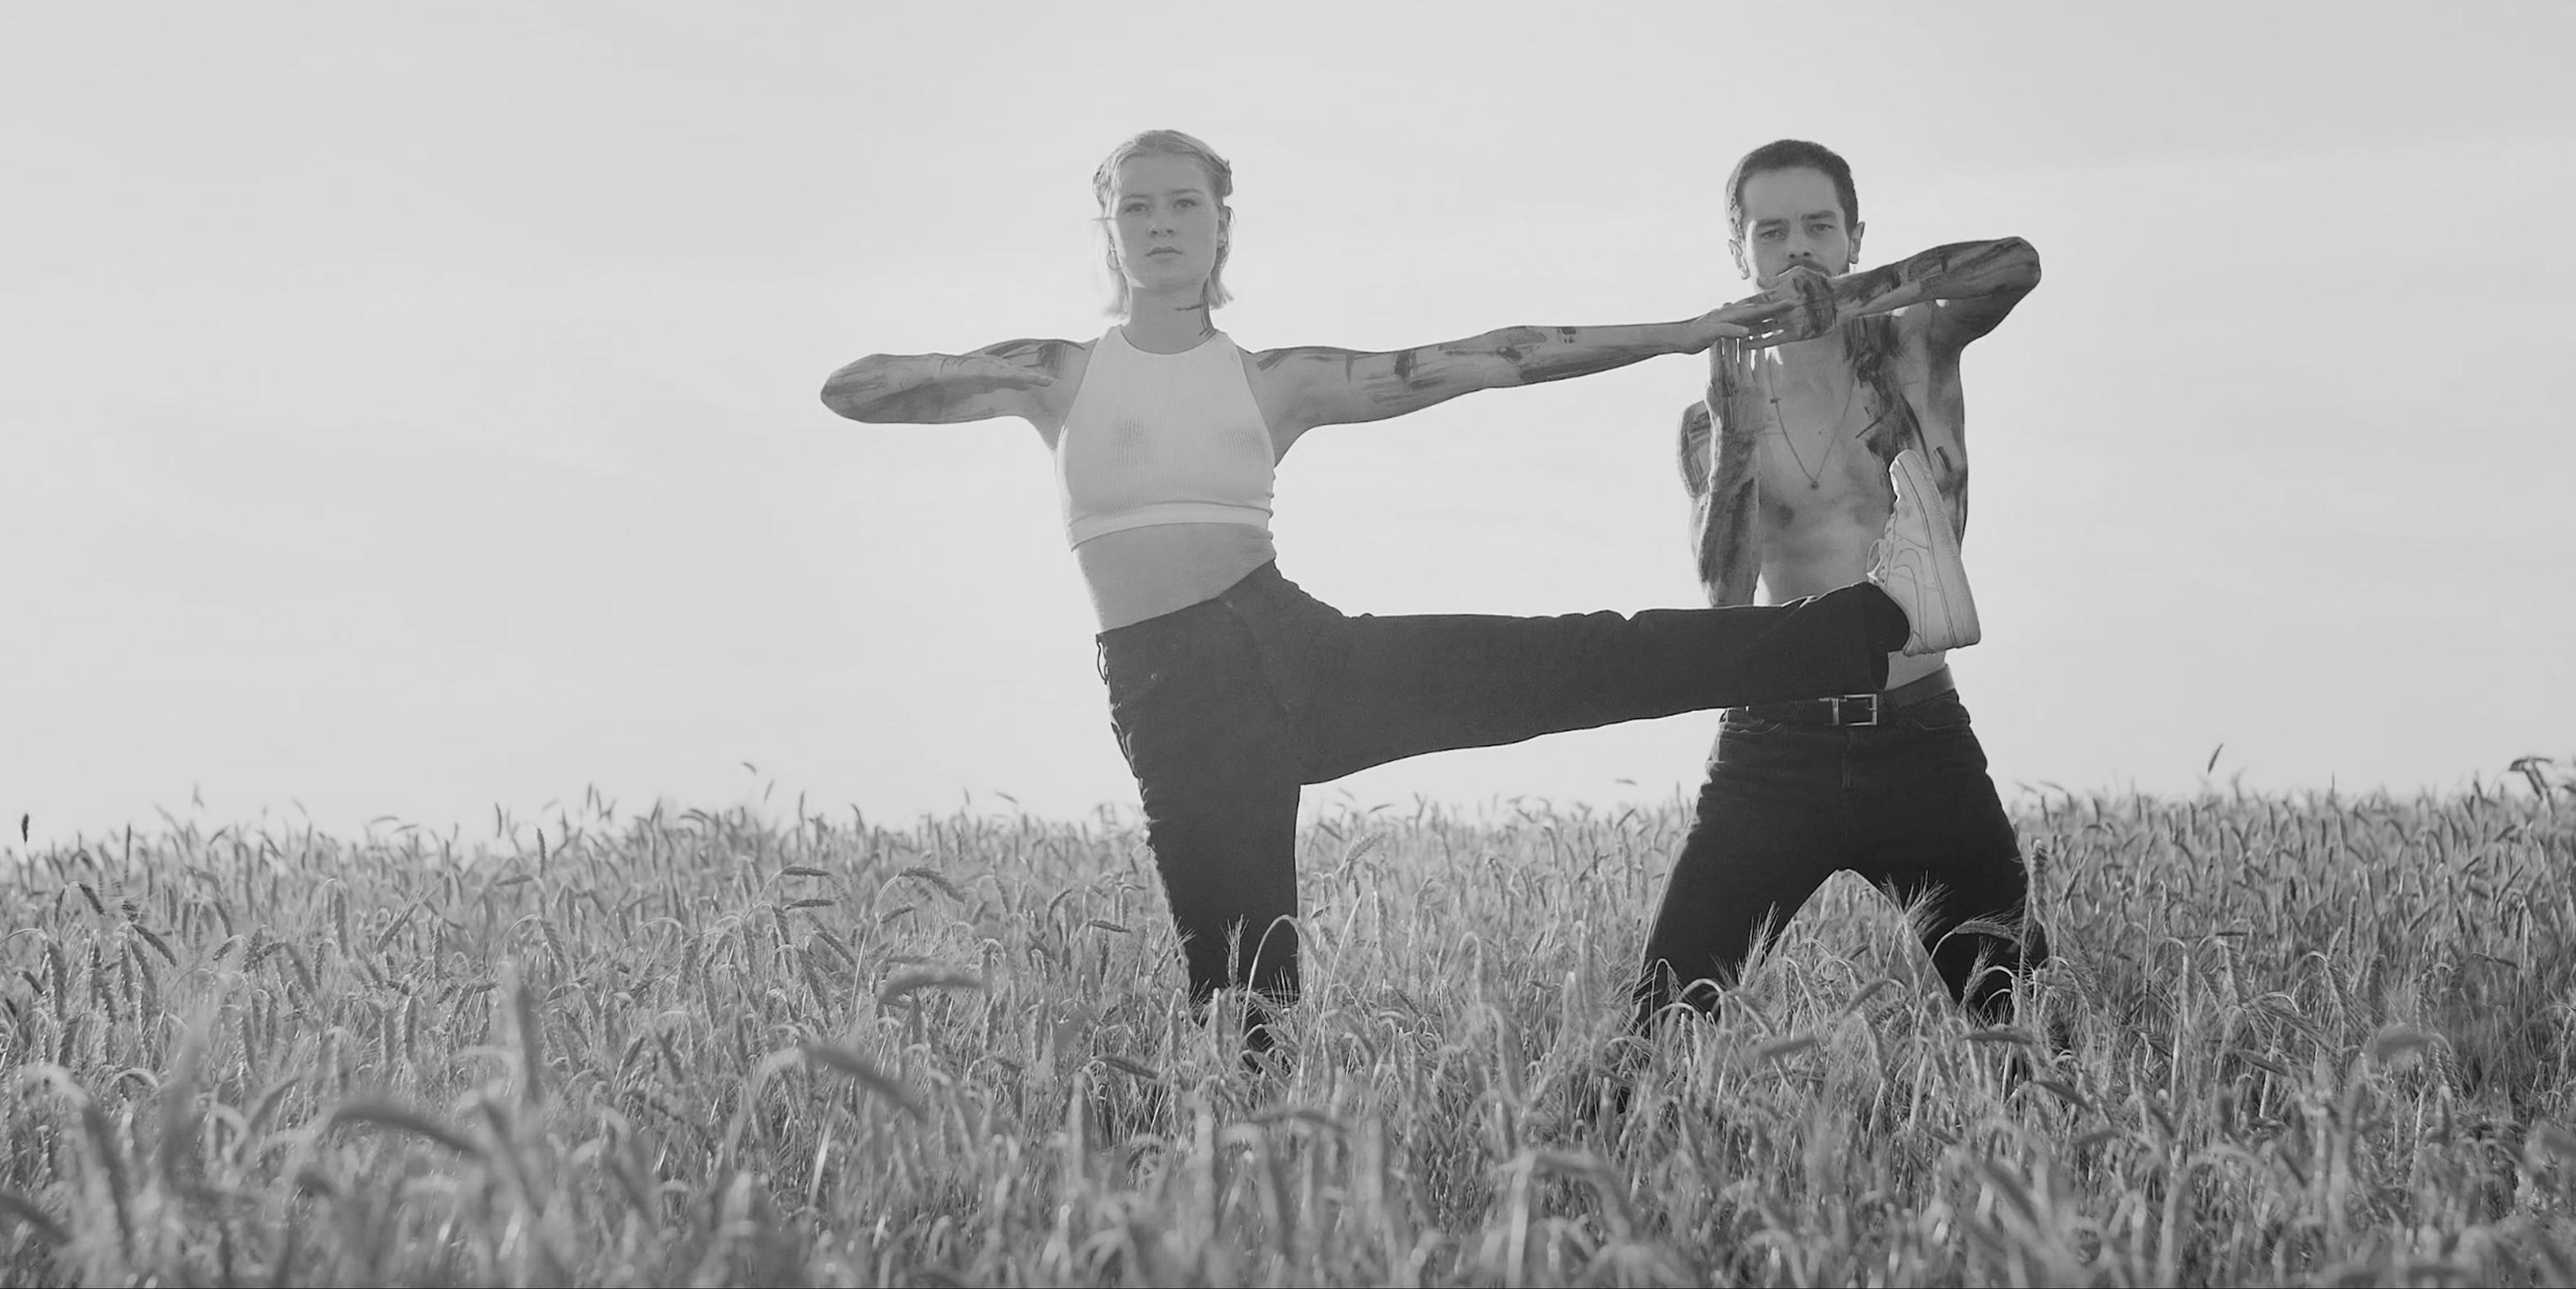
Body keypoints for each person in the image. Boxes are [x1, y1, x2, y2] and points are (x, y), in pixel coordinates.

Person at [821, 130, 1981, 1060]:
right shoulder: (1061, 374)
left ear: (1222, 226)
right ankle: (1257, 1201)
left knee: (1584, 658)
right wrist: (979, 368)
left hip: (1293, 648)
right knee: (1243, 1009)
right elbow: (854, 390)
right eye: (1137, 206)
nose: (1162, 223)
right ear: (1109, 229)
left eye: (1185, 203)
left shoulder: (1278, 380)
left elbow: (1496, 354)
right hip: (1179, 707)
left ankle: (1885, 620)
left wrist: (1681, 334)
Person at [1632, 138, 2049, 1035]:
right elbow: (1725, 599)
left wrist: (1856, 296)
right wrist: (1740, 442)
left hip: (1920, 737)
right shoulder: (1713, 416)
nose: (1797, 250)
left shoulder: (1914, 345)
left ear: (1856, 236)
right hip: (1773, 749)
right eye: (1772, 232)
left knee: (2027, 1025)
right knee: (1660, 1027)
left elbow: (2017, 266)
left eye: (1820, 227)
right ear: (1739, 252)